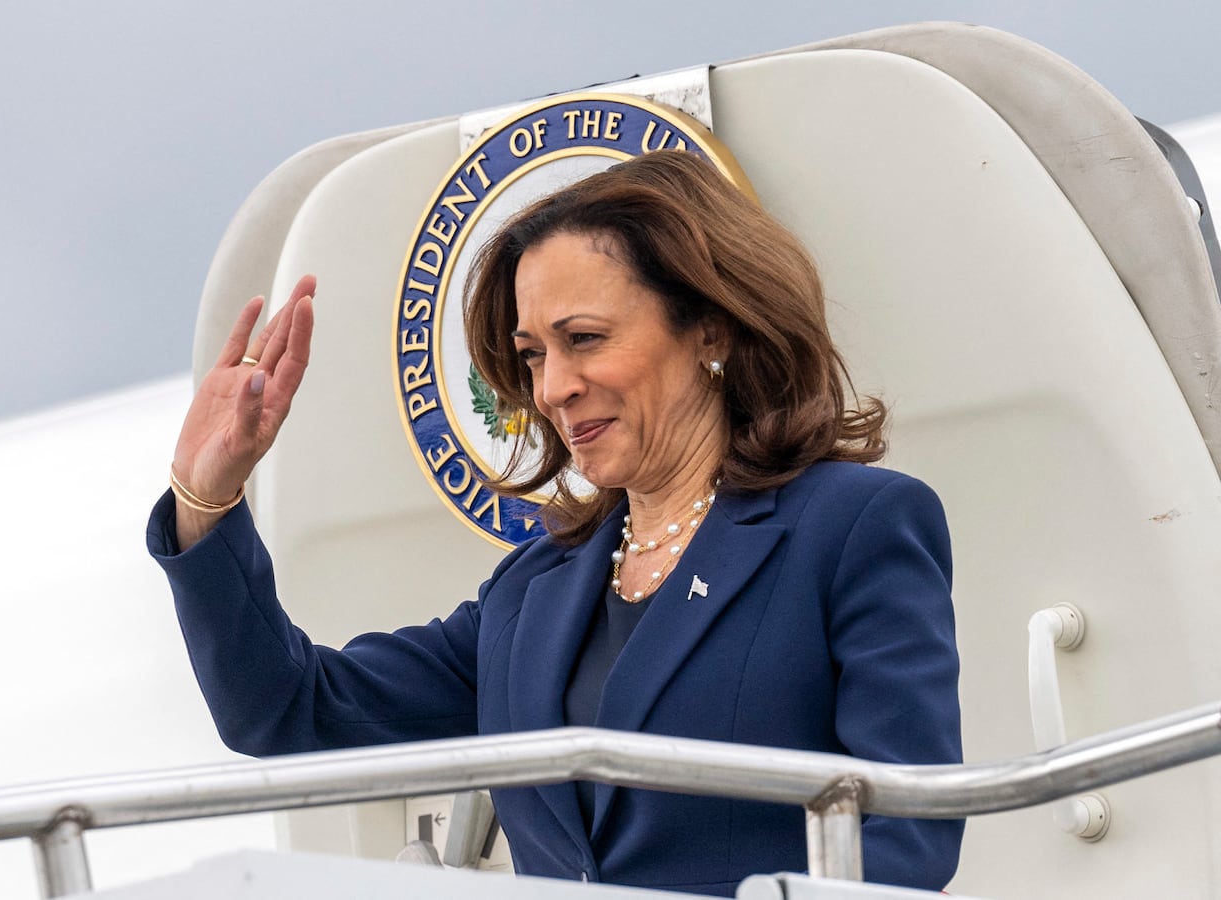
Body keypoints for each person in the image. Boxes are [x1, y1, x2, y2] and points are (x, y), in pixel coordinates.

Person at [147, 150, 962, 896]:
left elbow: (909, 836)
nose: (552, 388)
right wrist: (205, 496)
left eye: (584, 339)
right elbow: (287, 712)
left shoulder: (852, 527)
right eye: (535, 353)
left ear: (710, 327)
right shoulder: (530, 592)